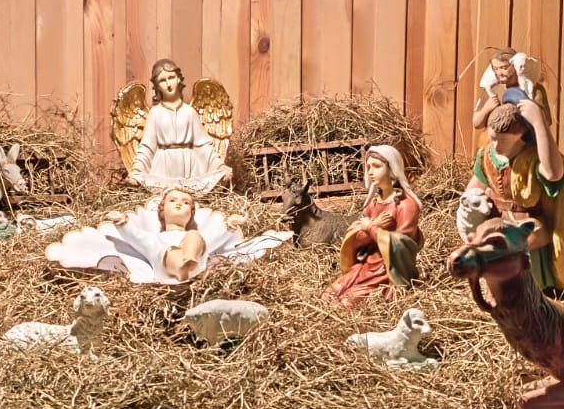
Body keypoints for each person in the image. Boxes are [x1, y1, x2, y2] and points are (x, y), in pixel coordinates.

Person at [44, 189, 291, 285]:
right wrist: (122, 222)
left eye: (186, 203)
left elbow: (213, 240)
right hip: (165, 267)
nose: (179, 204)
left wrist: (229, 225)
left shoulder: (194, 232)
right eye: (173, 201)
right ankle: (182, 265)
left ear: (192, 212)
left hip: (195, 262)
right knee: (168, 252)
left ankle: (188, 261)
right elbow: (135, 237)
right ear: (161, 211)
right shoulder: (155, 239)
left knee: (196, 238)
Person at [468, 101, 564, 295]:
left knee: (517, 244)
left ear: (520, 135)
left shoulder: (534, 158)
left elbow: (553, 174)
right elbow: (473, 189)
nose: (496, 145)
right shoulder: (486, 156)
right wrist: (470, 206)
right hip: (497, 220)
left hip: (528, 224)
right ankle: (494, 288)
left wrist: (539, 123)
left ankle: (529, 290)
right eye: (492, 138)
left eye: (503, 140)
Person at [326, 145, 424, 308]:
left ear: (392, 170)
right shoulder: (372, 204)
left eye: (377, 166)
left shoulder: (406, 205)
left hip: (388, 273)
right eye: (369, 167)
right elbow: (355, 241)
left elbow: (403, 245)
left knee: (345, 303)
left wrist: (371, 229)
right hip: (365, 266)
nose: (370, 172)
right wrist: (374, 226)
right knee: (328, 295)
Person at [130, 58, 232, 193]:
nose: (168, 84)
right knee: (164, 198)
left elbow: (203, 145)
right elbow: (147, 147)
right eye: (162, 80)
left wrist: (219, 166)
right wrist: (137, 170)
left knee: (189, 198)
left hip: (190, 168)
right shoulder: (155, 113)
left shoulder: (190, 112)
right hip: (162, 169)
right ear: (157, 86)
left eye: (171, 77)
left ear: (178, 79)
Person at [471, 48, 553, 131]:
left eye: (504, 68)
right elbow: (476, 123)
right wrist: (486, 109)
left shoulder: (533, 89)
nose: (499, 73)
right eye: (496, 69)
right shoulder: (492, 90)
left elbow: (544, 122)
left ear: (515, 66)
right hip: (495, 137)